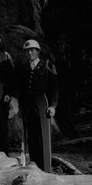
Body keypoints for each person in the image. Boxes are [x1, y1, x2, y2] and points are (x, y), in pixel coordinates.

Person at [13, 39, 59, 172]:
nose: (29, 53)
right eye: (27, 51)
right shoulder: (24, 68)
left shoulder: (47, 65)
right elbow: (21, 88)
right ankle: (35, 168)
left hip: (42, 106)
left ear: (38, 51)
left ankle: (46, 169)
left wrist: (53, 106)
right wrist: (19, 106)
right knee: (32, 138)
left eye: (32, 50)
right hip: (27, 107)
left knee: (43, 137)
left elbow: (55, 87)